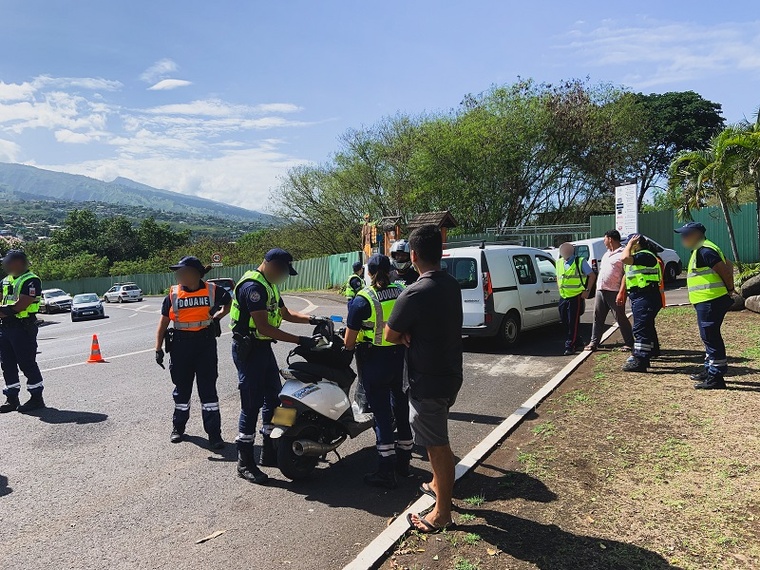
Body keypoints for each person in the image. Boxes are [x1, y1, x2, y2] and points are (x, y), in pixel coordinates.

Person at [385, 225, 463, 533]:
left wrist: (405, 332)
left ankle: (442, 513)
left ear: (413, 255)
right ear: (440, 253)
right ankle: (435, 483)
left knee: (436, 444)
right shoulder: (451, 284)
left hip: (426, 380)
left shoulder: (415, 291)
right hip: (450, 373)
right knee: (437, 437)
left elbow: (390, 333)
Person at [229, 248, 326, 484]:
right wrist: (300, 340)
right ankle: (245, 462)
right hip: (249, 350)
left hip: (262, 349)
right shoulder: (253, 288)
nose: (283, 275)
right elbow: (264, 327)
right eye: (281, 270)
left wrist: (314, 319)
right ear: (269, 264)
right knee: (251, 405)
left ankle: (270, 451)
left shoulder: (269, 285)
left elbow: (286, 313)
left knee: (275, 399)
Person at [343, 254, 412, 489]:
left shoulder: (363, 299)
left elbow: (349, 340)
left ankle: (386, 468)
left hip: (374, 361)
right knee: (401, 407)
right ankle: (404, 463)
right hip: (400, 358)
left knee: (381, 414)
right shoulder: (402, 291)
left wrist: (349, 347)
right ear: (391, 270)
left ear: (368, 273)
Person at [155, 256, 232, 449]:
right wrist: (158, 348)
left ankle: (215, 435)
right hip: (181, 345)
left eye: (182, 271)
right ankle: (178, 428)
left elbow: (229, 302)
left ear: (196, 274)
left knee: (208, 391)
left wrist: (218, 316)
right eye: (177, 272)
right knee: (182, 391)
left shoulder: (213, 290)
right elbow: (163, 323)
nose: (178, 275)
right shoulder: (172, 294)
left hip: (205, 344)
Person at [676, 222, 736, 389]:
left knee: (710, 336)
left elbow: (724, 269)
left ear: (697, 234)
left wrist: (730, 288)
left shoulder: (705, 250)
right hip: (707, 300)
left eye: (686, 234)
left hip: (711, 300)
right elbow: (729, 263)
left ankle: (716, 377)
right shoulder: (702, 249)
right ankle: (710, 369)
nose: (683, 238)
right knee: (708, 336)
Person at [0, 250, 46, 413]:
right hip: (5, 328)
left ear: (18, 262)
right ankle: (11, 399)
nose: (5, 265)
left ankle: (36, 398)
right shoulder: (6, 281)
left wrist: (2, 311)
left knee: (27, 363)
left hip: (23, 327)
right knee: (7, 365)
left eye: (8, 262)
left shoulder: (31, 280)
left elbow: (22, 305)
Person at [585, 230, 634, 352]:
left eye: (605, 239)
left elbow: (626, 274)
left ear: (610, 239)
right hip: (601, 290)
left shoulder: (623, 254)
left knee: (620, 317)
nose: (604, 241)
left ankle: (629, 342)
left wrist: (622, 292)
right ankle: (594, 342)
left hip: (615, 291)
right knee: (597, 317)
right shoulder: (606, 254)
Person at [620, 235, 662, 372]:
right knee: (646, 326)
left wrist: (629, 245)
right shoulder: (641, 256)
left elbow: (624, 258)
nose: (626, 247)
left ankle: (640, 360)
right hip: (641, 295)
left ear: (636, 244)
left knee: (640, 329)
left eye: (629, 244)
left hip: (646, 295)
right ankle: (651, 352)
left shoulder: (645, 255)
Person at [556, 242, 596, 356]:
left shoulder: (580, 261)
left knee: (573, 321)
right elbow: (558, 277)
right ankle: (577, 340)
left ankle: (570, 345)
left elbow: (592, 275)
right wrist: (559, 288)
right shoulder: (558, 262)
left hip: (576, 296)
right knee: (565, 320)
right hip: (563, 296)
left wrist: (587, 291)